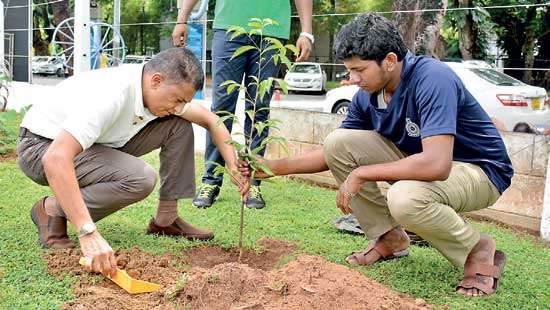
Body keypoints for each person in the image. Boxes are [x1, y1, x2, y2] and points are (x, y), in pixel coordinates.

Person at [243, 13, 514, 297]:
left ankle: (477, 249)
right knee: (338, 142)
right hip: (426, 165)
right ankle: (389, 237)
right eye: (350, 70)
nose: (353, 79)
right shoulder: (367, 96)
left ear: (390, 61)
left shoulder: (432, 79)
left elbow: (437, 164)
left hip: (480, 171)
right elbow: (332, 153)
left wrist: (361, 173)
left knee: (405, 199)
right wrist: (272, 167)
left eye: (360, 70)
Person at [17, 47, 248, 277]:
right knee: (140, 178)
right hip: (40, 145)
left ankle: (166, 219)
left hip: (97, 142)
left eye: (183, 103)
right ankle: (49, 209)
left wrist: (233, 165)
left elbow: (210, 119)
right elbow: (55, 158)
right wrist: (87, 232)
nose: (178, 108)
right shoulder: (112, 94)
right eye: (177, 100)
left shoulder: (154, 87)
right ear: (156, 81)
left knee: (178, 125)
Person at [173, 0, 313, 209]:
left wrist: (306, 32)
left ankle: (254, 180)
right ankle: (211, 180)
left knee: (259, 108)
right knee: (221, 108)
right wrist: (182, 18)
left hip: (272, 31)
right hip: (229, 27)